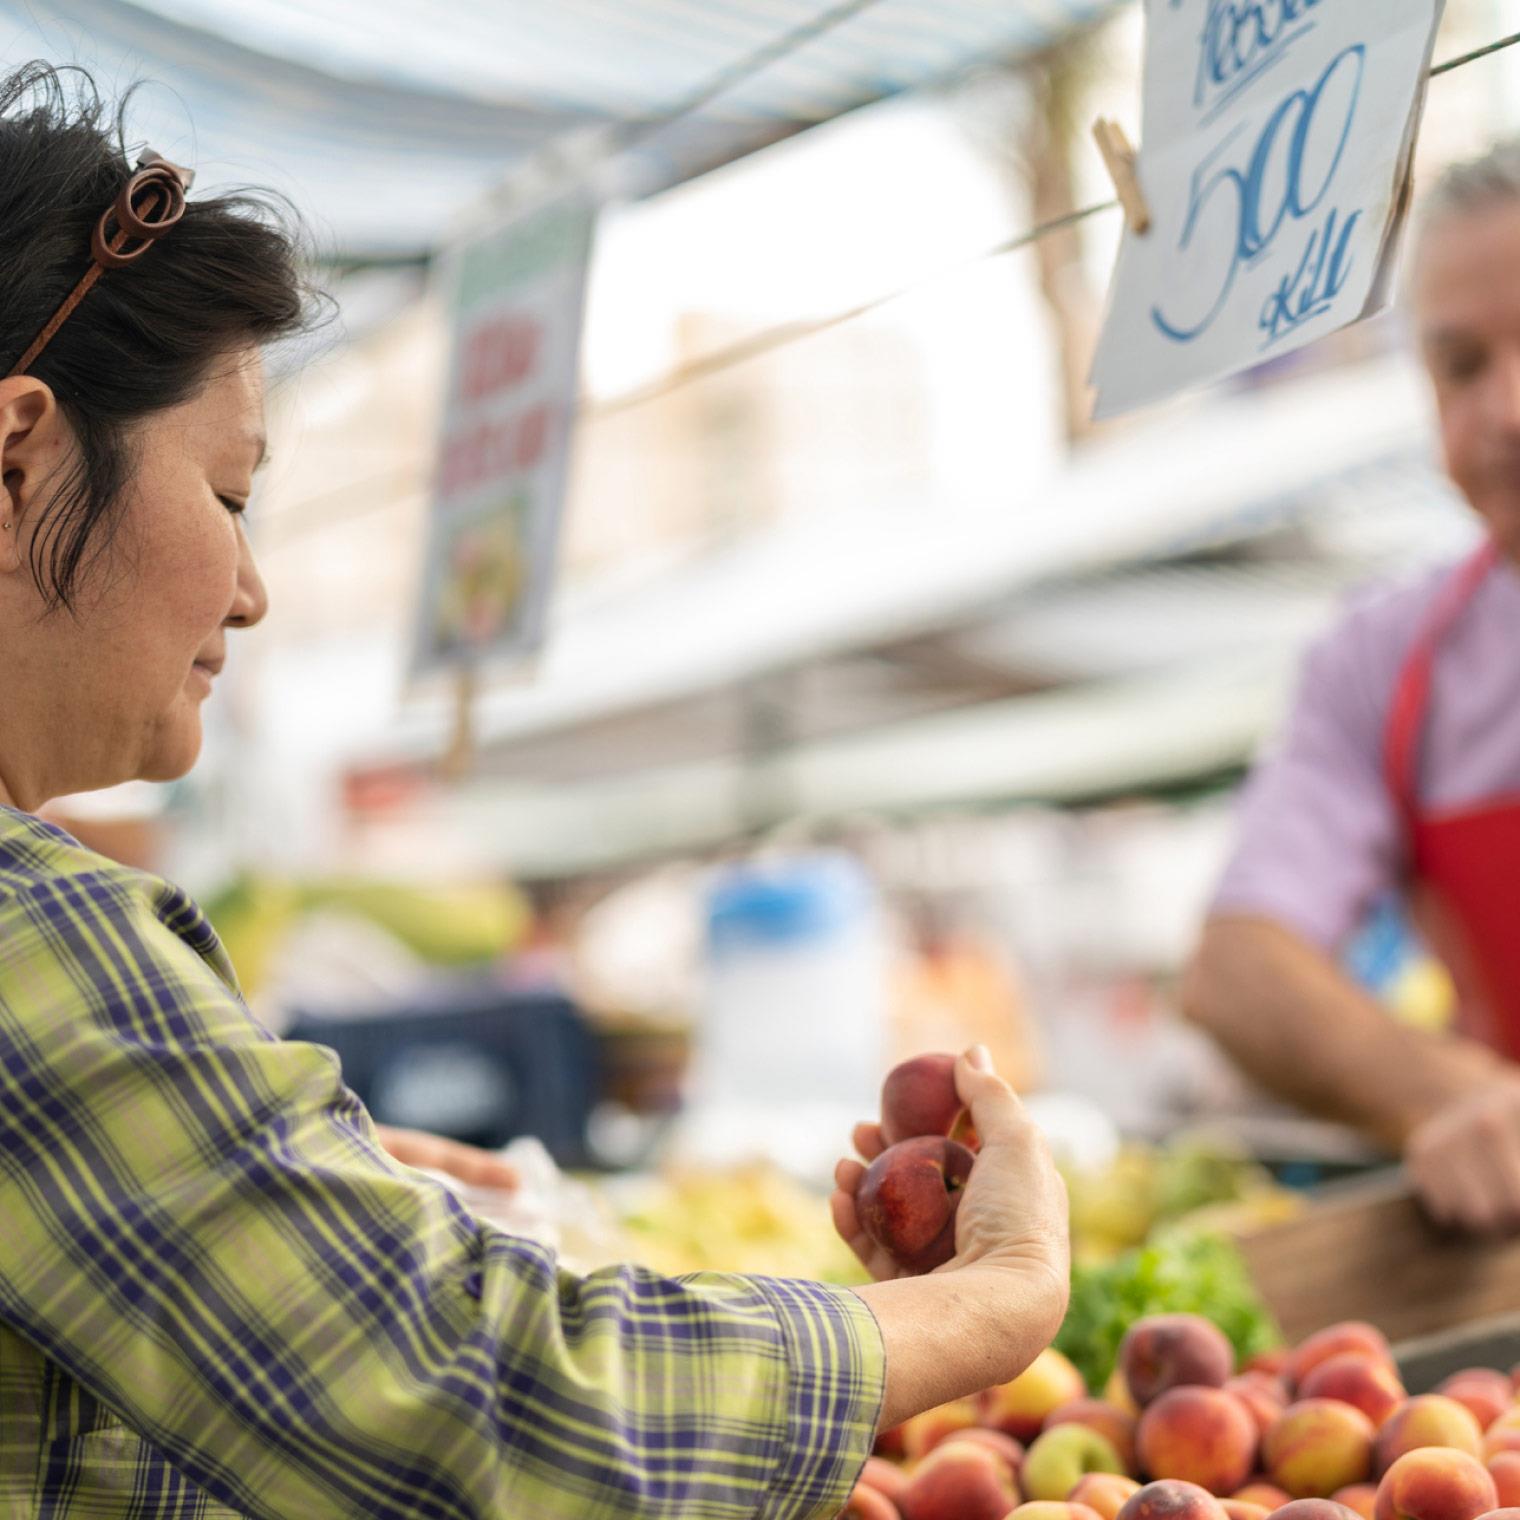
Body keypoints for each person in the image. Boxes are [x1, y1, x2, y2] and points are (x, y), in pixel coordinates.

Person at [0, 64, 1070, 1519]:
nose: (251, 593)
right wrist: (991, 1305)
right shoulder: (29, 943)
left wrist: (297, 1189)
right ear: (18, 465)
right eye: (232, 496)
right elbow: (488, 1410)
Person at [1184, 139, 1520, 1236]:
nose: (1505, 410)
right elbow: (1239, 967)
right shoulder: (1379, 661)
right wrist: (1451, 1093)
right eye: (1460, 365)